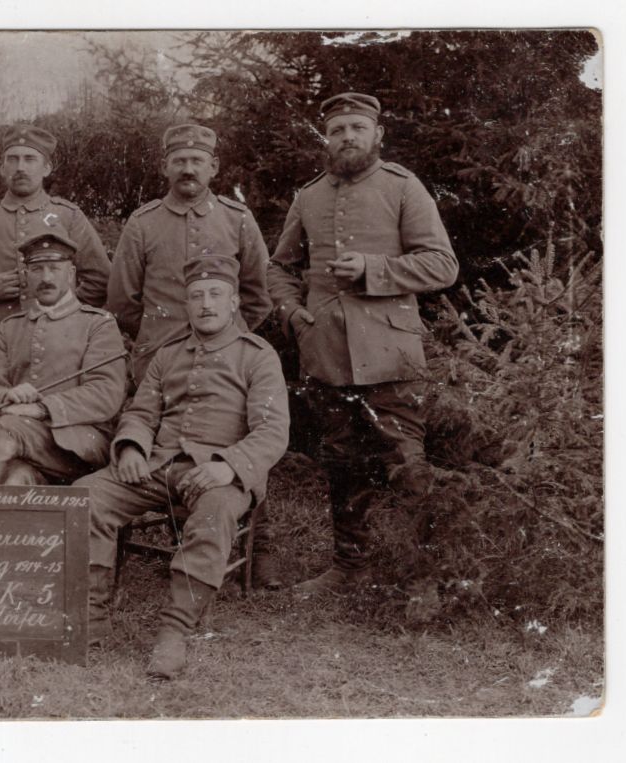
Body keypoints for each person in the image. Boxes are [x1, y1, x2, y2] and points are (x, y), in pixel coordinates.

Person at [260, 92, 459, 595]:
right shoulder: (308, 197)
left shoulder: (402, 186)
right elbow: (279, 267)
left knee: (408, 470)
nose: (347, 137)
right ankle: (350, 569)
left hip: (391, 357)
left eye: (357, 128)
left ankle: (424, 583)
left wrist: (374, 269)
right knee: (343, 467)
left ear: (377, 134)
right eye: (337, 130)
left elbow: (442, 264)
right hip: (326, 355)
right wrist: (292, 314)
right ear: (326, 138)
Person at [75, 255, 289, 679]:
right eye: (196, 296)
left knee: (215, 514)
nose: (205, 304)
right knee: (85, 495)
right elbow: (141, 412)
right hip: (159, 466)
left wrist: (228, 467)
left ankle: (174, 632)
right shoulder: (168, 354)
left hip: (220, 474)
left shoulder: (257, 356)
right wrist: (132, 448)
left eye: (215, 295)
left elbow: (272, 431)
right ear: (186, 304)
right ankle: (90, 619)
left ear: (232, 303)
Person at [107, 123, 272, 381]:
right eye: (179, 161)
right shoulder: (142, 223)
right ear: (164, 167)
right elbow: (122, 301)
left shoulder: (237, 219)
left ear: (214, 167)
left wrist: (227, 331)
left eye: (197, 161)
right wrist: (157, 332)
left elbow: (259, 294)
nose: (188, 170)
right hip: (158, 358)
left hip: (228, 359)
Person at [0, 231, 127, 486]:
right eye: (37, 269)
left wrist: (41, 408)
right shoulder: (10, 328)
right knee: (16, 479)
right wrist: (7, 397)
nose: (46, 278)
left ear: (71, 274)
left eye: (54, 268)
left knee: (8, 428)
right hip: (22, 445)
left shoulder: (97, 324)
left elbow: (106, 394)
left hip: (82, 445)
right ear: (27, 276)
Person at [0, 124, 111, 365]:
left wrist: (65, 311)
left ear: (46, 168)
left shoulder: (68, 216)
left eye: (30, 159)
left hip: (61, 344)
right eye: (13, 159)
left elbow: (100, 279)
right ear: (1, 168)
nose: (20, 167)